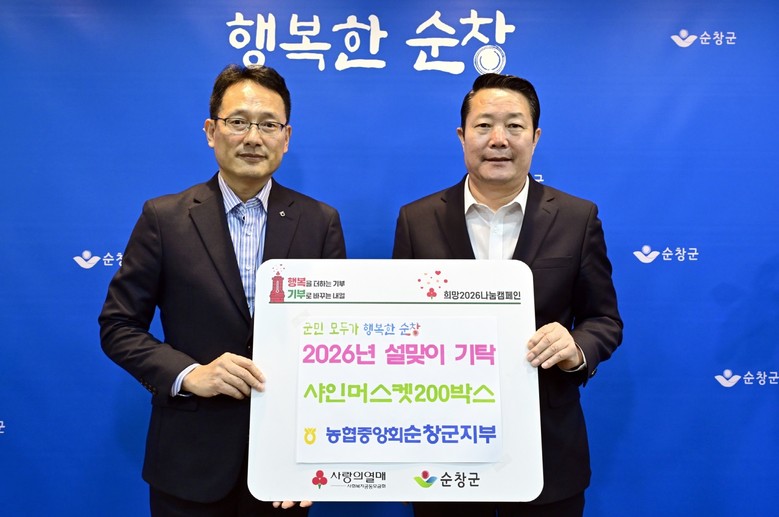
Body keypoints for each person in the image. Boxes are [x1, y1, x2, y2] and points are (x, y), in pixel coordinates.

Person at [99, 64, 346, 516]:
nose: (253, 137)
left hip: (285, 464)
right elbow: (118, 326)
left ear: (286, 137)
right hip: (188, 463)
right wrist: (189, 373)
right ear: (212, 131)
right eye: (238, 122)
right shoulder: (164, 218)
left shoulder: (320, 222)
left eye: (268, 125)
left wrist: (315, 454)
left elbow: (335, 341)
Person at [393, 73, 623, 517]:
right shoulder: (416, 220)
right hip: (443, 450)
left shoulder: (577, 218)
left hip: (547, 448)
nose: (498, 139)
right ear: (462, 136)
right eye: (484, 126)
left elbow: (605, 320)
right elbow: (400, 332)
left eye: (514, 126)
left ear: (535, 137)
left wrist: (576, 347)